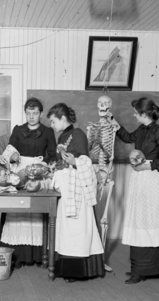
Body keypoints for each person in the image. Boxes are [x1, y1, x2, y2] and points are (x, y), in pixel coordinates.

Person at [110, 97, 159, 284]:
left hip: (153, 179)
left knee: (149, 221)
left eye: (135, 112)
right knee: (139, 220)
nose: (133, 114)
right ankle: (139, 268)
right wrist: (112, 120)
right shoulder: (142, 130)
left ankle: (150, 269)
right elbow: (128, 138)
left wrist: (149, 166)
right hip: (140, 179)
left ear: (144, 114)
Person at [47, 103, 105, 283]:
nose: (51, 125)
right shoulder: (62, 137)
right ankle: (66, 268)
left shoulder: (78, 134)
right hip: (66, 187)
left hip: (77, 189)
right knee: (67, 228)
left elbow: (85, 161)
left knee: (77, 228)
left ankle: (79, 271)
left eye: (53, 121)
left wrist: (74, 161)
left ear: (63, 119)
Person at [0, 98, 57, 268]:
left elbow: (53, 156)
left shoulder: (47, 132)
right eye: (29, 113)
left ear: (41, 114)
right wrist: (14, 157)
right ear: (25, 113)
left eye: (35, 113)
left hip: (38, 173)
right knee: (18, 210)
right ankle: (17, 255)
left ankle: (38, 256)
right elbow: (8, 152)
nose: (31, 117)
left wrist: (42, 165)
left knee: (36, 211)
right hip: (19, 173)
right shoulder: (18, 130)